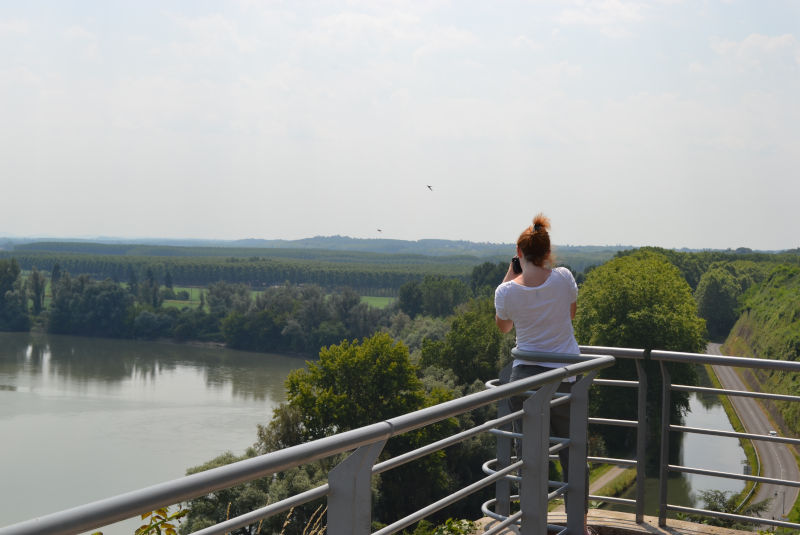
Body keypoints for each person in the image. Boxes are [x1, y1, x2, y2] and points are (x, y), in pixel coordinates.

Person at [494, 213, 595, 535]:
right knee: (574, 453)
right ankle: (579, 525)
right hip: (566, 376)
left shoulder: (506, 292)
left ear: (520, 254)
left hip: (525, 381)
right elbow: (571, 314)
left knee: (529, 457)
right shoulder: (564, 278)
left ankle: (531, 525)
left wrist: (511, 274)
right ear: (548, 252)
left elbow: (503, 326)